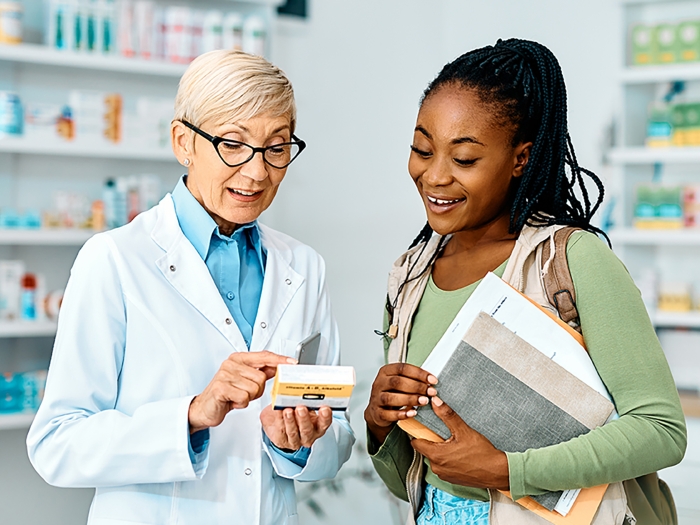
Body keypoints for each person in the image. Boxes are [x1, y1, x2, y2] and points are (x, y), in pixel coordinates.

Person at [364, 39, 687, 525]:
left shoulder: (571, 261)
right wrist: (378, 423)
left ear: (521, 159)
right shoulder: (409, 276)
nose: (434, 176)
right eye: (422, 150)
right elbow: (412, 479)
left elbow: (661, 429)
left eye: (465, 159)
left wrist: (507, 470)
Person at [27, 50, 354, 525]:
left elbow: (336, 435)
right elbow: (57, 442)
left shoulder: (304, 266)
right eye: (233, 144)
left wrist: (297, 443)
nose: (257, 171)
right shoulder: (115, 260)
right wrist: (192, 415)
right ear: (184, 142)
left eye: (276, 147)